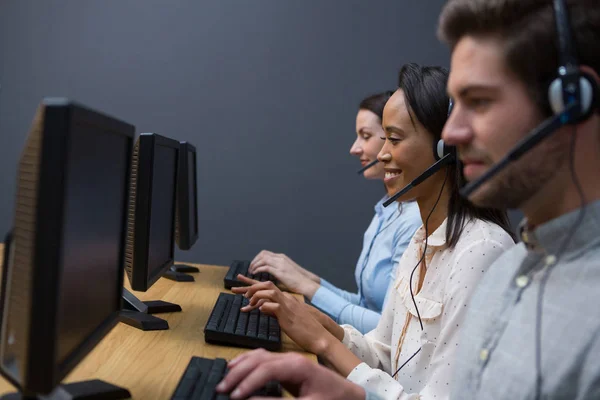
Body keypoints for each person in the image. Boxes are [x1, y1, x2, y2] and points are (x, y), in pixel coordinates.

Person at [223, 63, 515, 400]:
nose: (383, 153)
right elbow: (384, 357)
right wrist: (323, 325)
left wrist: (322, 344)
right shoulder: (423, 238)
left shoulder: (481, 250)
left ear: (445, 148)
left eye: (394, 138)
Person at [436, 0, 600, 398]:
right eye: (456, 104)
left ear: (571, 100)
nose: (450, 133)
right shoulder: (501, 273)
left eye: (479, 101)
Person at [247, 92, 422, 333]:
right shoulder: (388, 210)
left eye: (365, 136)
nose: (354, 148)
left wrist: (307, 288)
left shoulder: (414, 221)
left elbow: (388, 330)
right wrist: (302, 278)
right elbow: (364, 305)